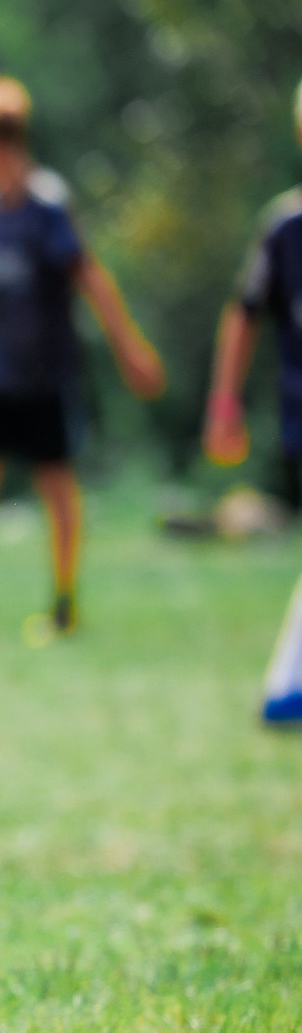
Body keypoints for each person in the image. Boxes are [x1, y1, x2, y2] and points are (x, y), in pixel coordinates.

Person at [0, 76, 166, 647]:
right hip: (1, 369)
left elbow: (91, 280)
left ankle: (63, 603)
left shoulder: (46, 205)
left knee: (55, 483)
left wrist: (130, 348)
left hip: (47, 371)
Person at [206, 80, 302, 727]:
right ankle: (286, 685)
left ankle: (286, 684)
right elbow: (243, 317)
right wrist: (224, 404)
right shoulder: (286, 229)